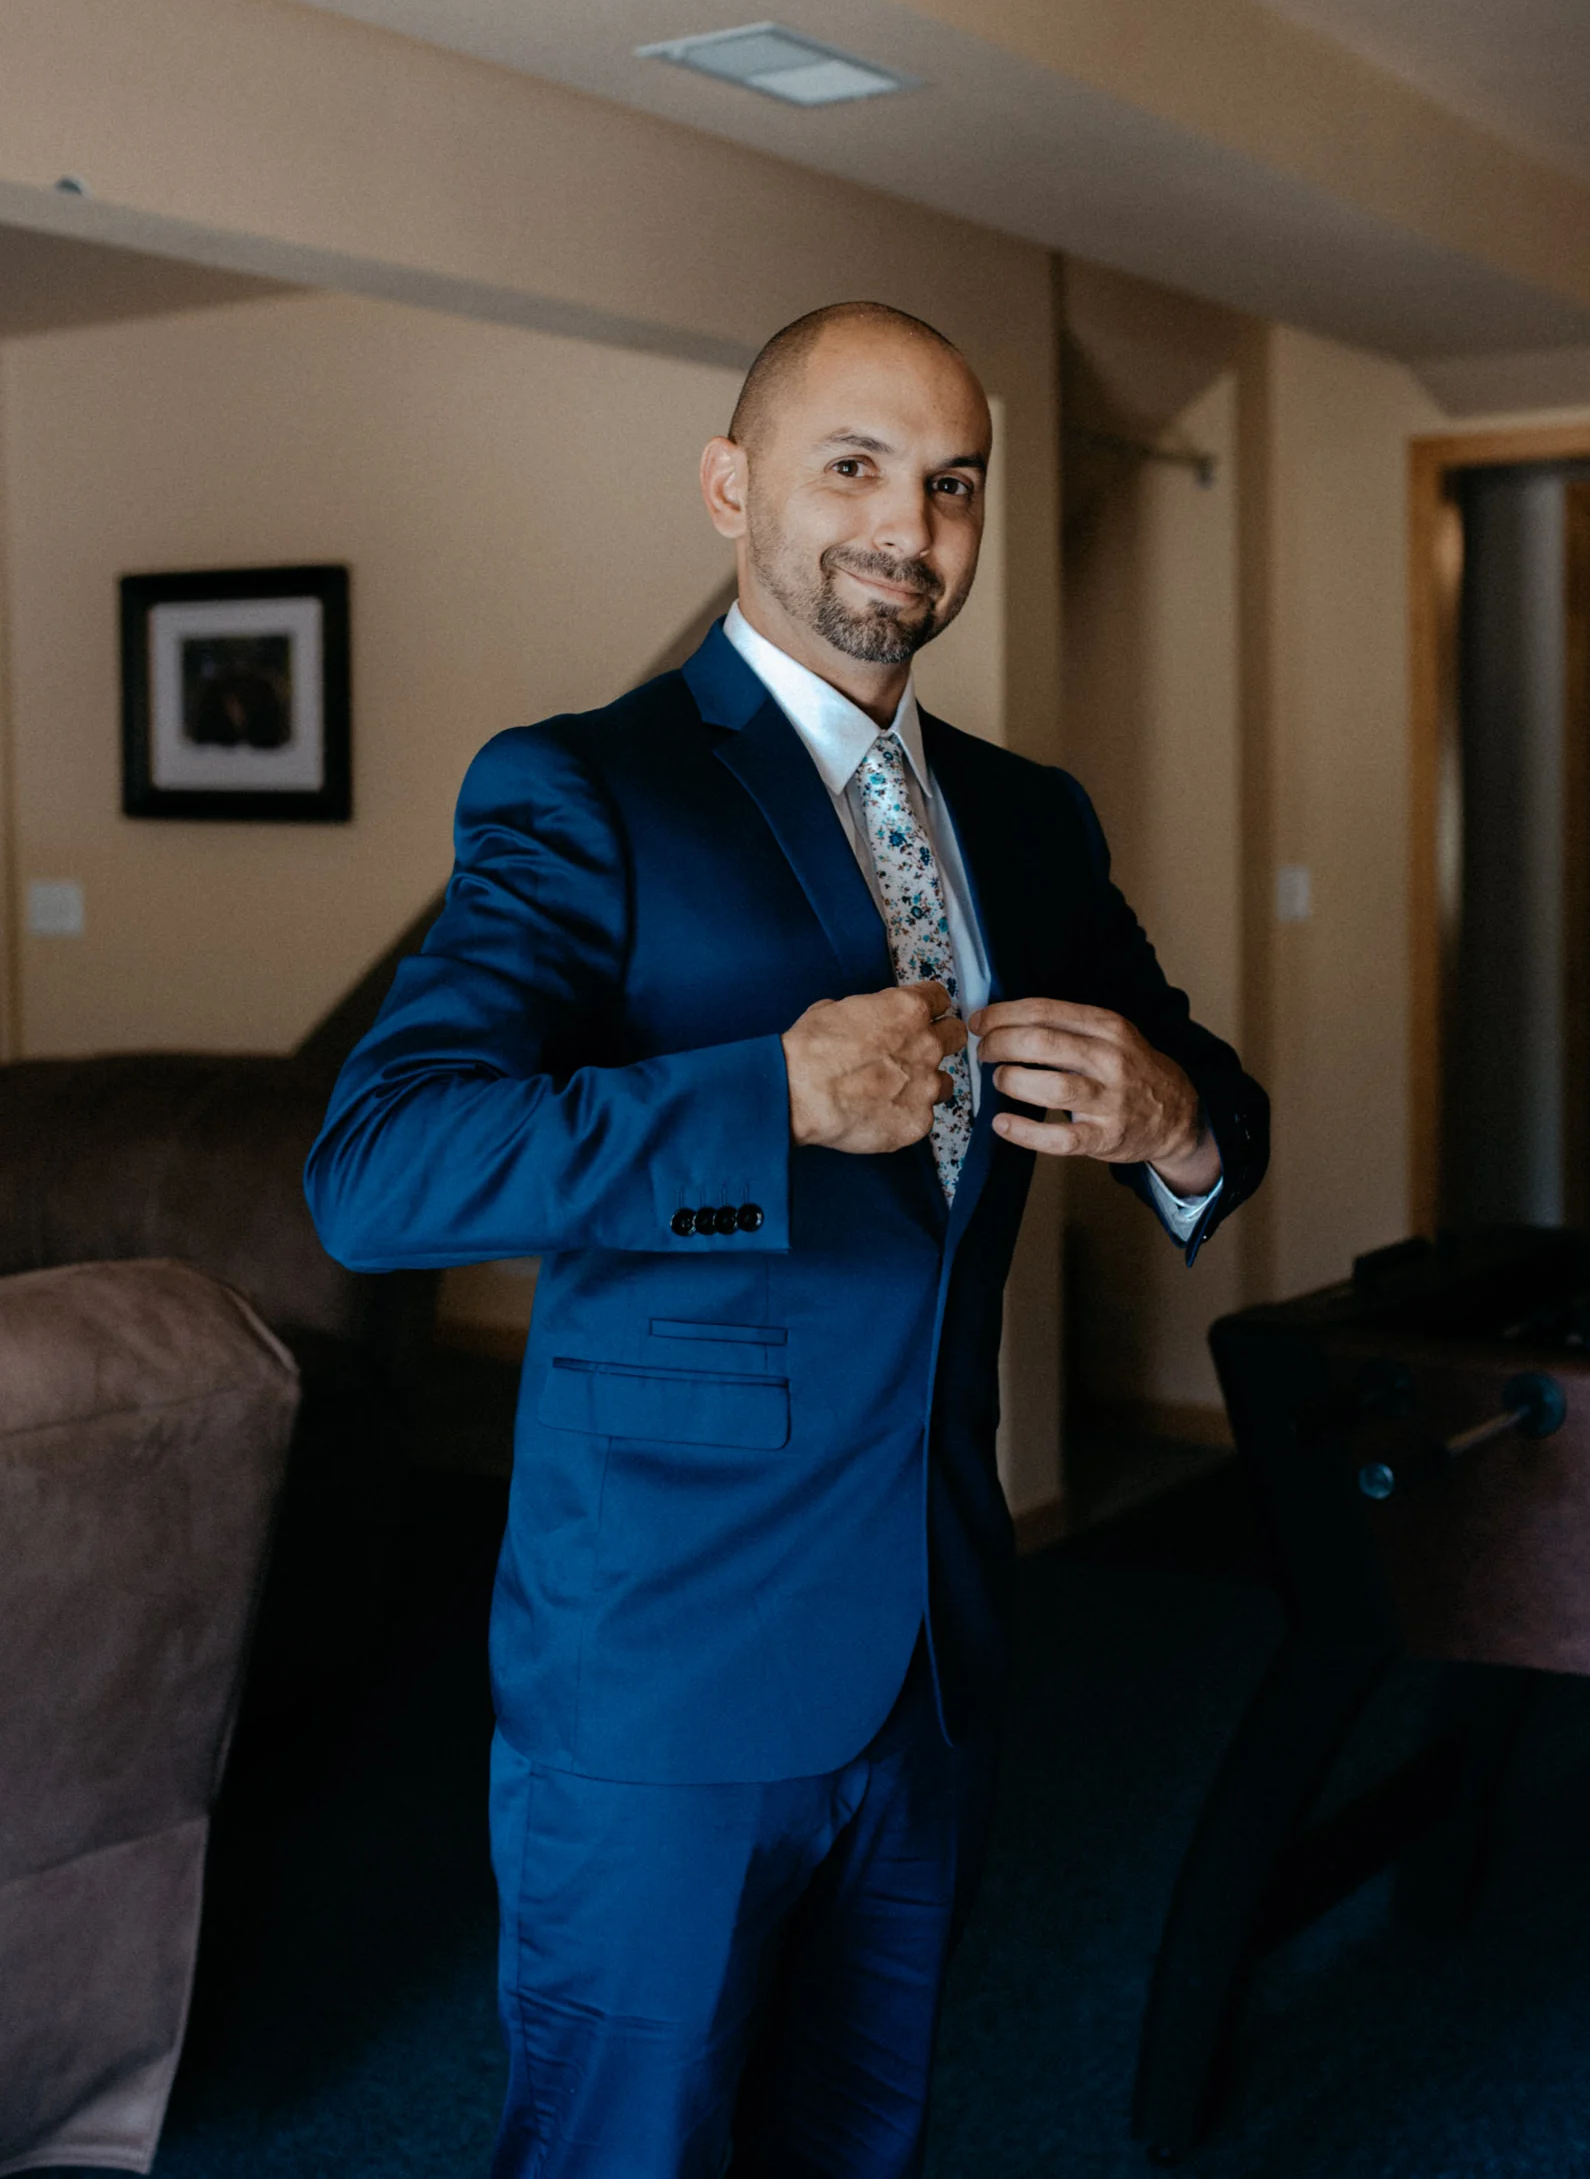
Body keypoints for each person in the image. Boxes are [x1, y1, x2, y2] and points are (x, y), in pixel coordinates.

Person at [304, 300, 1268, 2179]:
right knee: (623, 2150)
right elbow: (380, 1164)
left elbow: (1198, 1081)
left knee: (861, 2138)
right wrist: (766, 1098)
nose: (908, 525)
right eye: (853, 467)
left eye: (951, 484)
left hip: (935, 1644)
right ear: (731, 487)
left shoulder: (1026, 818)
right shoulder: (585, 788)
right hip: (662, 1667)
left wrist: (1176, 1122)